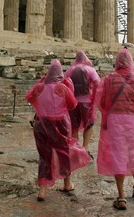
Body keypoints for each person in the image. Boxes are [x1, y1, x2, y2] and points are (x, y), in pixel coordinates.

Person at [96, 48, 134, 211]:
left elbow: (100, 101)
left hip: (115, 120)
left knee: (118, 155)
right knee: (133, 151)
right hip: (132, 120)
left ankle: (121, 196)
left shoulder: (108, 79)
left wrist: (107, 113)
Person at [25, 59, 91, 202]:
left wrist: (41, 83)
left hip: (41, 124)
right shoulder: (62, 88)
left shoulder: (39, 88)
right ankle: (67, 183)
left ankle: (42, 190)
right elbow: (73, 105)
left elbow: (29, 98)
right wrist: (69, 88)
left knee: (44, 156)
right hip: (60, 124)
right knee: (63, 153)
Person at [64, 50, 100, 155]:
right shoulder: (90, 69)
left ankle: (76, 148)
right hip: (87, 101)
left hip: (73, 102)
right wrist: (94, 95)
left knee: (74, 125)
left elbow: (65, 83)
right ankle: (85, 147)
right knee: (89, 124)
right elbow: (97, 82)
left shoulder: (70, 70)